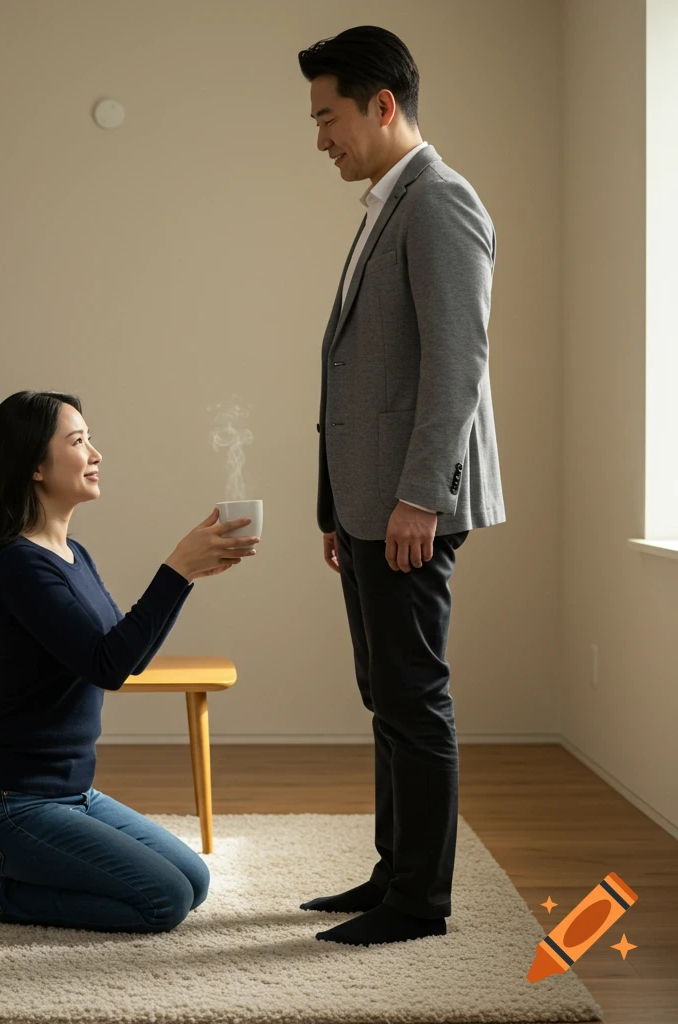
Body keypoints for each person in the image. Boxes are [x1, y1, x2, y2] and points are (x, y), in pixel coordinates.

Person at [298, 26, 506, 946]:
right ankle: (394, 872)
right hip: (373, 504)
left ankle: (420, 904)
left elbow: (456, 364)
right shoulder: (388, 203)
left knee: (414, 696)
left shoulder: (439, 203)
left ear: (382, 106)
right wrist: (340, 507)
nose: (320, 139)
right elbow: (359, 372)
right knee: (386, 692)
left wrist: (419, 495)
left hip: (412, 504)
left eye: (329, 116)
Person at [0, 390, 259, 931]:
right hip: (10, 804)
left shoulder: (75, 556)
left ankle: (20, 879)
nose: (95, 453)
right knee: (163, 902)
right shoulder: (18, 565)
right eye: (78, 441)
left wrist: (187, 576)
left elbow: (127, 657)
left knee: (194, 881)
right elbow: (107, 666)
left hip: (74, 793)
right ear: (34, 465)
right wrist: (175, 570)